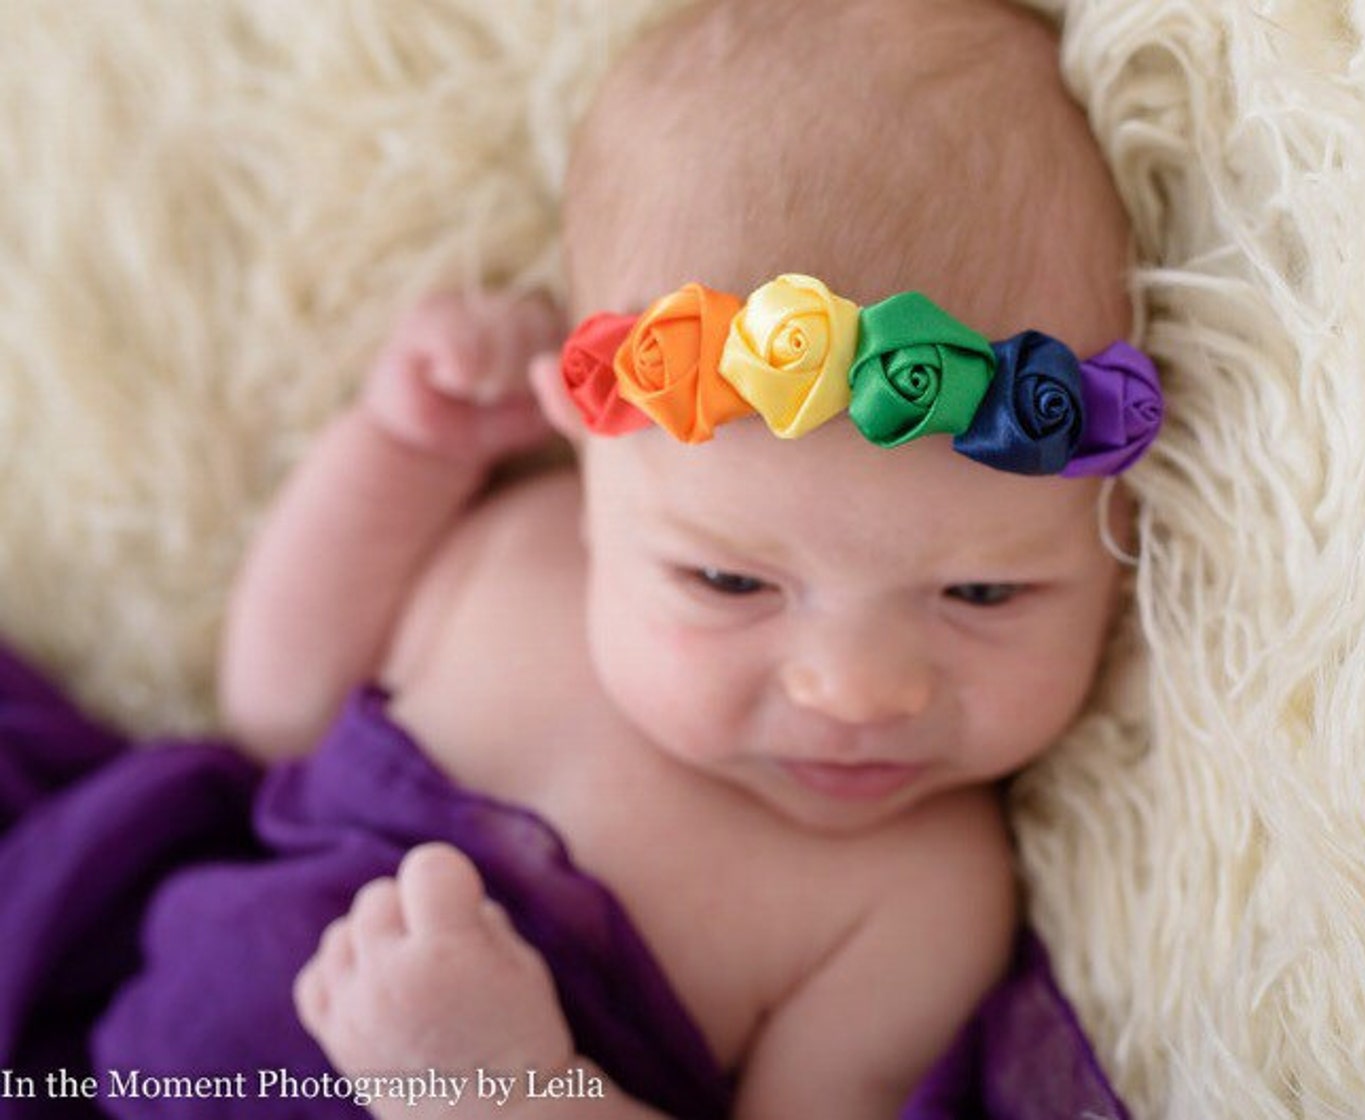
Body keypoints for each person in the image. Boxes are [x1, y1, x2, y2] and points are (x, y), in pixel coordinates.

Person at [219, 0, 1159, 1117]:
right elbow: (270, 706)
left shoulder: (916, 897)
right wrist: (400, 448)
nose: (856, 690)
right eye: (729, 582)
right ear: (584, 463)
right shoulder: (515, 556)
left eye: (983, 592)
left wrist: (510, 1092)